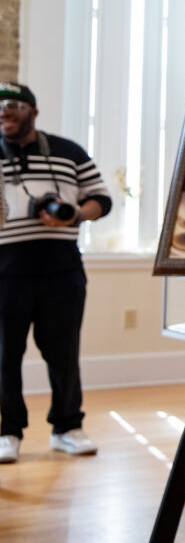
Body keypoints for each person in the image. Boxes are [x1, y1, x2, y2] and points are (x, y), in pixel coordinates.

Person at [0, 83, 112, 464]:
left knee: (63, 354)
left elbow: (102, 198)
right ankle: (7, 431)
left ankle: (67, 427)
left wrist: (77, 212)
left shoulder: (68, 151)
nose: (4, 112)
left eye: (13, 105)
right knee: (3, 355)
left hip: (62, 269)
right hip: (5, 272)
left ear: (32, 110)